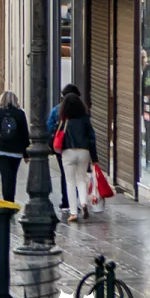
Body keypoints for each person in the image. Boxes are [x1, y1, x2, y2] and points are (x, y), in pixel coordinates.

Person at [56, 91, 97, 221]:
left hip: (68, 152)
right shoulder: (85, 119)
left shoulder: (64, 120)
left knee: (70, 181)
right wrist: (94, 158)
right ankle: (84, 203)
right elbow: (92, 138)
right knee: (81, 179)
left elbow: (56, 135)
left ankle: (73, 212)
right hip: (84, 152)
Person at [0, 91, 30, 203]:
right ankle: (10, 200)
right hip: (16, 151)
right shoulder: (20, 113)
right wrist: (26, 153)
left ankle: (7, 201)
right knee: (12, 176)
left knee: (5, 176)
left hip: (0, 150)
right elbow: (24, 134)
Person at [49, 85, 78, 212]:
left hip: (61, 147)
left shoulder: (56, 110)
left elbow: (49, 127)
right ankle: (77, 201)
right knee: (77, 176)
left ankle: (66, 201)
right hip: (78, 147)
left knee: (65, 174)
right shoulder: (81, 111)